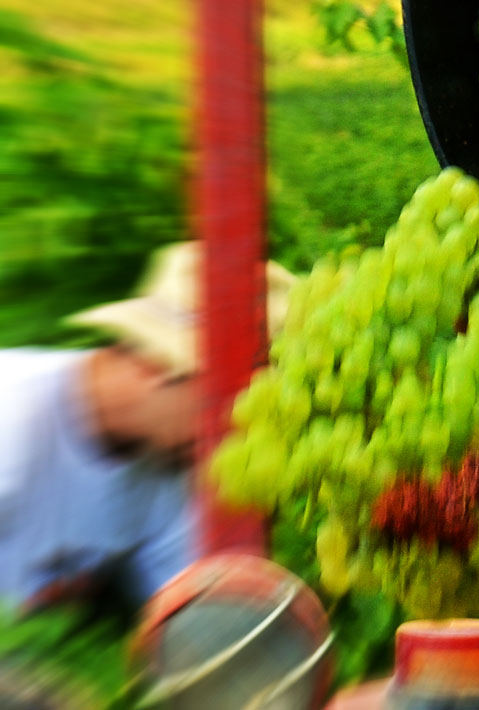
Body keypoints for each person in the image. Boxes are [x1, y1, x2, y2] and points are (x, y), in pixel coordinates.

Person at [0, 242, 296, 615]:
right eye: (229, 405)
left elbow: (195, 624)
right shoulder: (11, 417)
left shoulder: (166, 476)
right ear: (156, 367)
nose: (239, 431)